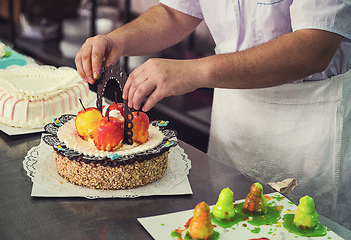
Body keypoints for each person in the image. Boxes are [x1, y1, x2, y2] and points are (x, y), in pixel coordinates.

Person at [75, 0, 351, 230]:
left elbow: (313, 47)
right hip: (232, 120)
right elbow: (176, 12)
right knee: (225, 224)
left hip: (309, 125)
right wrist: (117, 40)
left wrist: (196, 72)